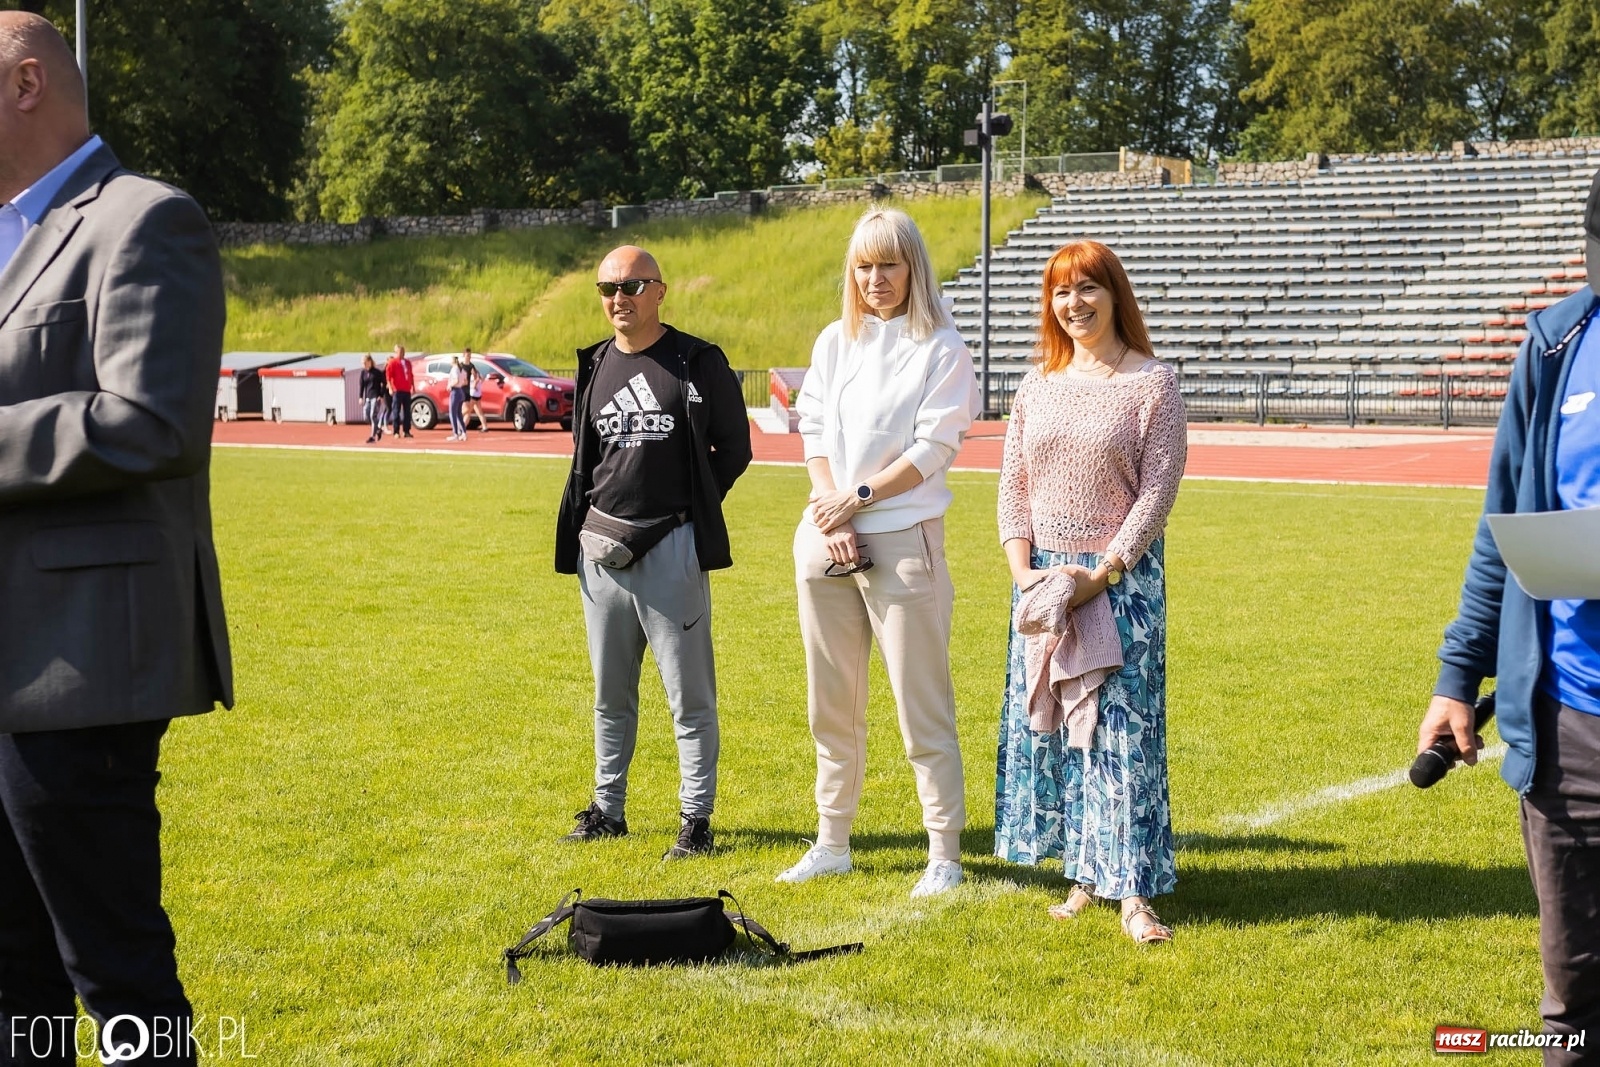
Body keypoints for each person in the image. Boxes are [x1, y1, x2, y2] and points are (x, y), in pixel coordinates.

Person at [0, 13, 233, 1064]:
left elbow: (153, 423)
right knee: (15, 969)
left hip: (81, 659)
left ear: (26, 83)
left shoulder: (146, 219)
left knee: (113, 964)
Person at [1421, 169, 1600, 1065]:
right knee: (1571, 1005)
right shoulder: (1559, 342)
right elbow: (1509, 526)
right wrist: (1460, 675)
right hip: (1568, 728)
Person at [776, 208, 979, 898]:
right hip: (825, 535)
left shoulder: (943, 348)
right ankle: (833, 841)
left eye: (888, 264)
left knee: (922, 702)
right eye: (863, 266)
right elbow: (813, 430)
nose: (875, 279)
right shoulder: (836, 340)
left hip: (901, 539)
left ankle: (944, 854)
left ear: (913, 266)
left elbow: (933, 448)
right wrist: (831, 507)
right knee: (830, 703)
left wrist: (856, 499)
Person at [994, 240, 1186, 944]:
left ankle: (1133, 890)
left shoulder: (1153, 383)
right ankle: (1083, 873)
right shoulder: (1035, 385)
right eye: (1059, 292)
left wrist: (1096, 575)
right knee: (1063, 736)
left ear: (1114, 294)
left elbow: (1156, 494)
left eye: (1087, 289)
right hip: (1044, 588)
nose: (1073, 304)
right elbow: (1013, 492)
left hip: (1118, 586)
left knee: (1122, 739)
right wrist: (1031, 580)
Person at [554, 245, 752, 860]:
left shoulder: (697, 361)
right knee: (610, 695)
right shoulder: (595, 364)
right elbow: (589, 458)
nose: (620, 298)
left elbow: (735, 448)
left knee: (689, 697)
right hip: (602, 551)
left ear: (660, 291)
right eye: (608, 288)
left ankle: (696, 822)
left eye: (633, 286)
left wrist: (691, 508)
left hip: (672, 544)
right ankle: (607, 810)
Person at [385, 344, 414, 438]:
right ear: (396, 352)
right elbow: (388, 376)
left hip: (406, 389)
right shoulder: (392, 363)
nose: (402, 353)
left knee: (407, 411)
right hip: (397, 390)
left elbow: (410, 375)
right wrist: (390, 387)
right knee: (396, 411)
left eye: (403, 351)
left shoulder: (408, 362)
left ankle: (406, 431)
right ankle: (396, 431)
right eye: (400, 351)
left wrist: (413, 386)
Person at [359, 353, 387, 443]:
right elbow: (362, 385)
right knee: (366, 416)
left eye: (365, 362)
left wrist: (381, 395)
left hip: (376, 397)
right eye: (362, 363)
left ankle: (372, 436)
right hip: (368, 397)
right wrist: (360, 397)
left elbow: (384, 383)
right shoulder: (363, 373)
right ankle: (378, 429)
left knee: (372, 415)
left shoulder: (377, 373)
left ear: (369, 362)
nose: (363, 364)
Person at [463, 348, 488, 434]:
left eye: (470, 355)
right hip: (477, 394)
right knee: (479, 411)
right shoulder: (471, 368)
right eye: (468, 355)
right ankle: (485, 426)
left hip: (473, 394)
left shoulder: (472, 369)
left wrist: (474, 385)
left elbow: (478, 378)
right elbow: (481, 378)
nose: (469, 357)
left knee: (467, 412)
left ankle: (462, 428)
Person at [446, 354, 468, 441]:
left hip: (455, 391)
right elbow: (465, 381)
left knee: (452, 413)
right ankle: (463, 433)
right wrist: (460, 384)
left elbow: (456, 380)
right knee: (459, 414)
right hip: (460, 391)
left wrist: (450, 385)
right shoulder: (461, 369)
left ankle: (455, 433)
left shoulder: (454, 369)